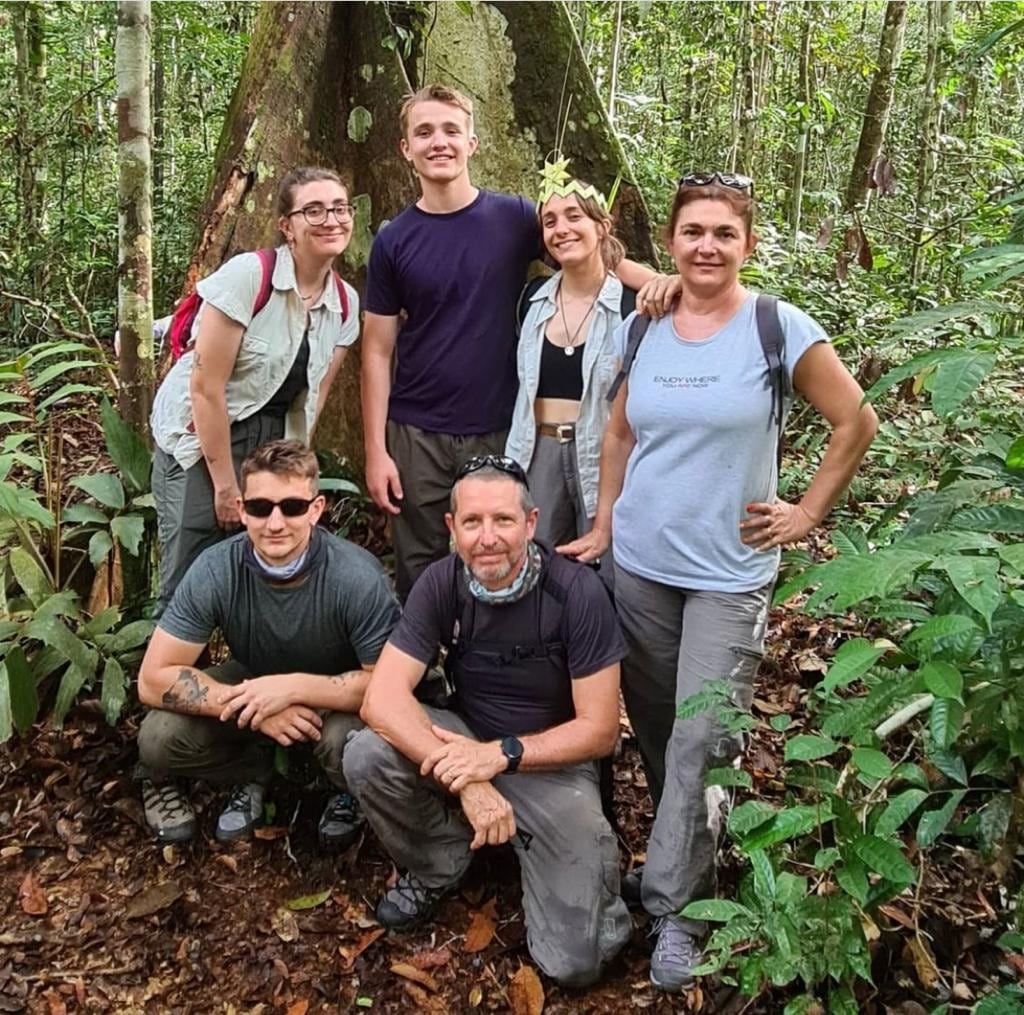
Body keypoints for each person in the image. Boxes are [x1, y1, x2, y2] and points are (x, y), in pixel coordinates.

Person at [560, 172, 879, 992]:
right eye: (693, 231)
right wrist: (602, 523)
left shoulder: (777, 326)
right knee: (664, 728)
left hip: (729, 573)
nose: (707, 245)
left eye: (723, 233)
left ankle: (676, 905)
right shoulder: (649, 322)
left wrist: (807, 511)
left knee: (707, 738)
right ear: (671, 240)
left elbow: (856, 419)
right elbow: (621, 429)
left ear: (748, 243)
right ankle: (687, 848)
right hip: (641, 564)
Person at [361, 83, 673, 599]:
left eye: (450, 131)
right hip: (416, 432)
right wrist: (377, 450)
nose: (439, 142)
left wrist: (660, 283)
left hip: (502, 426)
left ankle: (492, 666)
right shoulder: (395, 239)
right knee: (421, 564)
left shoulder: (514, 218)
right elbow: (376, 349)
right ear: (406, 149)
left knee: (499, 556)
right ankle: (428, 672)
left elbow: (589, 254)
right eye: (424, 132)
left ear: (472, 143)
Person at [343, 456, 631, 988]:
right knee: (366, 752)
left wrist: (502, 756)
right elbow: (380, 698)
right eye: (472, 523)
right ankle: (441, 860)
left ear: (530, 523)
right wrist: (473, 776)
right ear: (452, 528)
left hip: (550, 765)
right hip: (465, 740)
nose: (487, 538)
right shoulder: (441, 583)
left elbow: (599, 730)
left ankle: (545, 865)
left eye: (502, 520)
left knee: (576, 964)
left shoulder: (576, 594)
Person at [136, 440, 401, 847]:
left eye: (292, 507)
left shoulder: (355, 576)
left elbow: (389, 685)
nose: (275, 523)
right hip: (253, 680)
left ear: (316, 509)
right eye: (260, 508)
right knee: (159, 737)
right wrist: (257, 709)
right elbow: (153, 679)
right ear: (241, 510)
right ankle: (253, 772)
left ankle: (345, 791)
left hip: (337, 694)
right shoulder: (216, 568)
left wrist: (293, 690)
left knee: (347, 743)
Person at [150, 167, 359, 613]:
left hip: (272, 443)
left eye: (340, 209)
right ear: (287, 226)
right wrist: (225, 486)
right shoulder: (248, 276)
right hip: (200, 435)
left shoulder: (345, 304)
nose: (331, 220)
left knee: (270, 565)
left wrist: (297, 473)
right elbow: (206, 388)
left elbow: (314, 397)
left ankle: (253, 677)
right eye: (314, 210)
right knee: (190, 571)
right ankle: (169, 676)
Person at [506, 166, 633, 552]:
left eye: (574, 216)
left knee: (606, 563)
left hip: (604, 452)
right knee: (536, 559)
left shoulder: (631, 305)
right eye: (550, 221)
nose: (561, 229)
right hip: (537, 448)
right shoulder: (532, 299)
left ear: (602, 226)